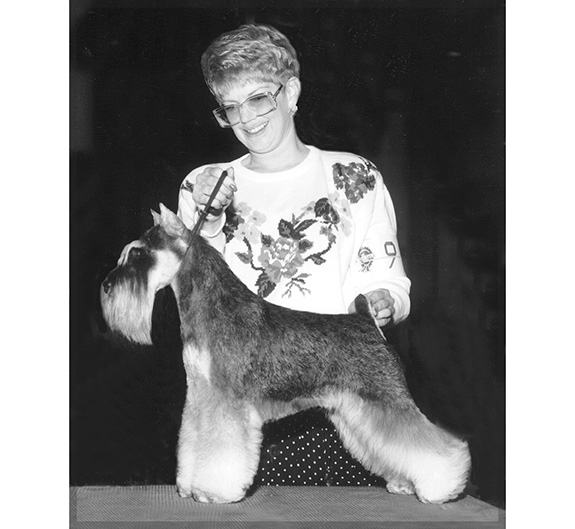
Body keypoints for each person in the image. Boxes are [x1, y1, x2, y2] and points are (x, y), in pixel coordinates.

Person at [177, 23, 411, 487]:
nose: (246, 118)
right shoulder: (203, 186)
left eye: (258, 98)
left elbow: (386, 279)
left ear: (292, 92)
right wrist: (211, 216)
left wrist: (385, 299)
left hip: (347, 404)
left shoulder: (356, 175)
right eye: (230, 106)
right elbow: (197, 292)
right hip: (247, 409)